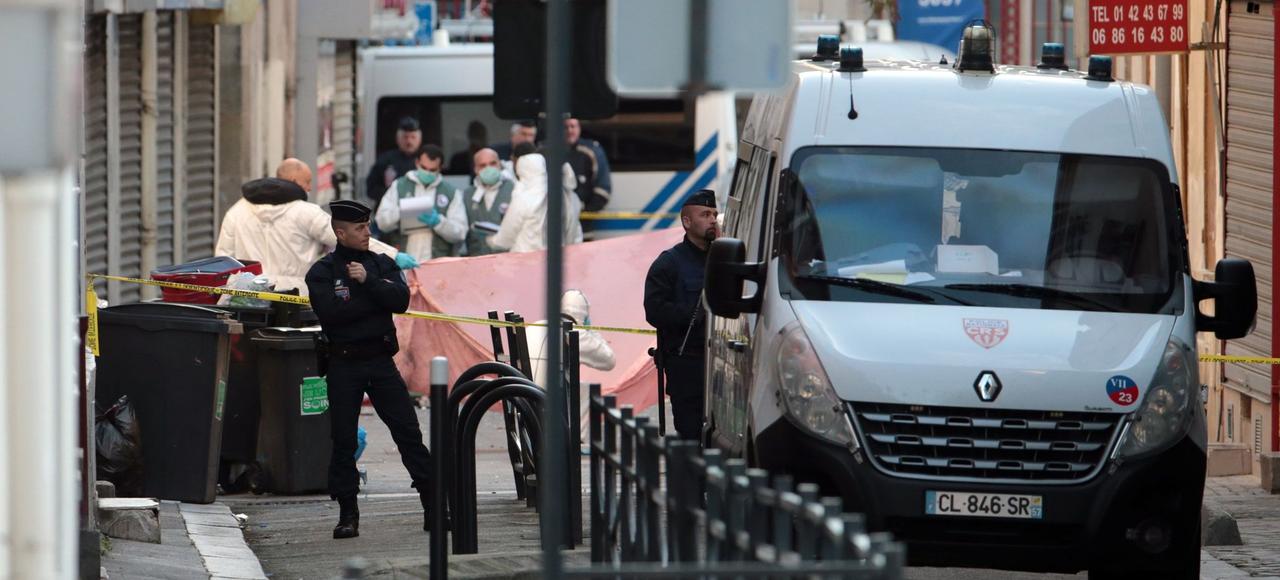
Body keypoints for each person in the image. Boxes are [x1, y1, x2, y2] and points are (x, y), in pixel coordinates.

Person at [305, 199, 442, 540]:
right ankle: (348, 513)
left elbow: (400, 301)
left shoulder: (380, 264)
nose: (367, 233)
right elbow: (332, 314)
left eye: (367, 226)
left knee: (408, 433)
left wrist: (367, 283)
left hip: (381, 362)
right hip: (343, 364)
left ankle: (434, 505)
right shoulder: (322, 272)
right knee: (343, 440)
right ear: (340, 232)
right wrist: (371, 299)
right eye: (359, 228)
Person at [214, 158, 417, 295]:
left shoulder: (236, 211)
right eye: (307, 182)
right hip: (295, 296)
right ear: (293, 181)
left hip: (248, 297)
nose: (310, 188)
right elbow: (350, 237)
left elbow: (223, 260)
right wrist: (391, 256)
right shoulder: (305, 212)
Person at [643, 189, 719, 442]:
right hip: (687, 363)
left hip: (720, 364)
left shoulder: (723, 259)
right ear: (687, 221)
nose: (712, 220)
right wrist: (692, 315)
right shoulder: (669, 264)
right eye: (705, 214)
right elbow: (654, 311)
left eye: (714, 214)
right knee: (691, 436)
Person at [374, 144, 468, 262]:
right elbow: (381, 222)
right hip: (404, 262)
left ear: (440, 168)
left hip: (437, 264)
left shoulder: (451, 193)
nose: (427, 172)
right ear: (417, 163)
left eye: (432, 170)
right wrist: (402, 211)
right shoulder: (399, 185)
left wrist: (439, 222)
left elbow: (460, 233)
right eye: (424, 167)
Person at [487, 152, 583, 254]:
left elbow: (508, 234)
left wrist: (493, 241)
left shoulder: (525, 197)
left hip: (526, 259)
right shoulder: (570, 196)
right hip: (559, 259)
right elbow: (576, 234)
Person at [462, 148, 516, 257]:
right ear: (476, 169)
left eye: (492, 163)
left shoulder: (514, 190)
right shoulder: (468, 195)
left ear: (500, 165)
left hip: (508, 259)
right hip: (477, 259)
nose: (488, 168)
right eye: (483, 165)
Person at [564, 118, 613, 222]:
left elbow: (603, 189)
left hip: (584, 227)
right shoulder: (548, 150)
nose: (570, 130)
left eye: (573, 126)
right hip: (555, 230)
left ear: (579, 128)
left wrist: (585, 212)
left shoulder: (591, 151)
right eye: (565, 127)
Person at [365, 116, 422, 204]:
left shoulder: (425, 160)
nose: (409, 141)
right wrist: (392, 194)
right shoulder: (386, 160)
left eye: (413, 137)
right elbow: (371, 189)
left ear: (419, 139)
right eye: (405, 137)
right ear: (398, 139)